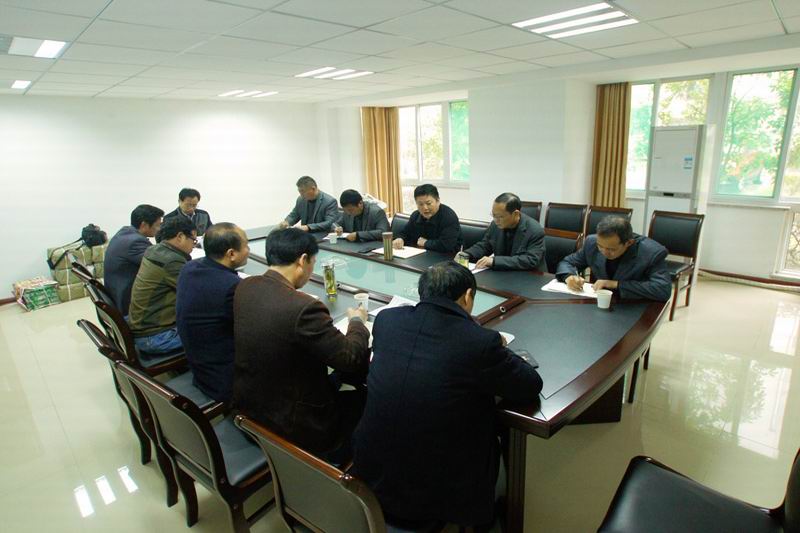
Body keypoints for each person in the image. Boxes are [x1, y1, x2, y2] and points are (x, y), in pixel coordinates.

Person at [351, 261, 542, 529]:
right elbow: (530, 384)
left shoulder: (387, 320)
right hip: (435, 491)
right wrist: (496, 344)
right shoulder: (478, 342)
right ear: (467, 296)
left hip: (370, 476)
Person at [232, 228, 370, 460]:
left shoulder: (246, 286)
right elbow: (349, 358)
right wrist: (357, 322)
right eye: (313, 263)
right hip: (295, 423)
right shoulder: (303, 307)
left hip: (249, 407)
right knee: (367, 396)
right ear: (302, 260)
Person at [176, 223, 250, 403]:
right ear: (231, 254)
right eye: (246, 245)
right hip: (224, 379)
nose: (248, 250)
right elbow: (254, 330)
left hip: (199, 367)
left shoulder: (189, 268)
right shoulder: (230, 286)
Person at [556, 216, 671, 301]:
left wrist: (615, 284)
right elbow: (567, 262)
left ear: (629, 243)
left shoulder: (651, 253)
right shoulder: (591, 242)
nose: (604, 252)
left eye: (611, 249)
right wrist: (569, 277)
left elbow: (662, 289)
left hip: (632, 305)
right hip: (599, 302)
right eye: (600, 246)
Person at [128, 217, 197, 356]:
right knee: (219, 330)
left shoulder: (155, 250)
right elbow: (197, 294)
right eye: (193, 240)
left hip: (142, 326)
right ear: (180, 236)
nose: (194, 245)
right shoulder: (172, 261)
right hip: (156, 337)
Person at [104, 204, 164, 315]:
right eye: (157, 225)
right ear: (144, 225)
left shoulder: (124, 233)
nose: (159, 229)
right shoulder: (135, 242)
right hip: (129, 302)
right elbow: (160, 263)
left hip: (117, 292)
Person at [464, 192, 546, 271]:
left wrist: (495, 261)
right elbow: (485, 245)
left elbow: (530, 260)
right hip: (504, 272)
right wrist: (467, 254)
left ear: (516, 214)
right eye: (493, 215)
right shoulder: (495, 225)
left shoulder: (534, 230)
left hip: (530, 274)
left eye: (500, 217)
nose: (496, 220)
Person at [392, 184, 463, 253]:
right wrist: (400, 239)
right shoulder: (415, 215)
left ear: (438, 201)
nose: (425, 208)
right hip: (421, 254)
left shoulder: (449, 216)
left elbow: (446, 245)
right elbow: (405, 233)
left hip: (447, 256)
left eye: (428, 203)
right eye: (420, 204)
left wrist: (426, 243)